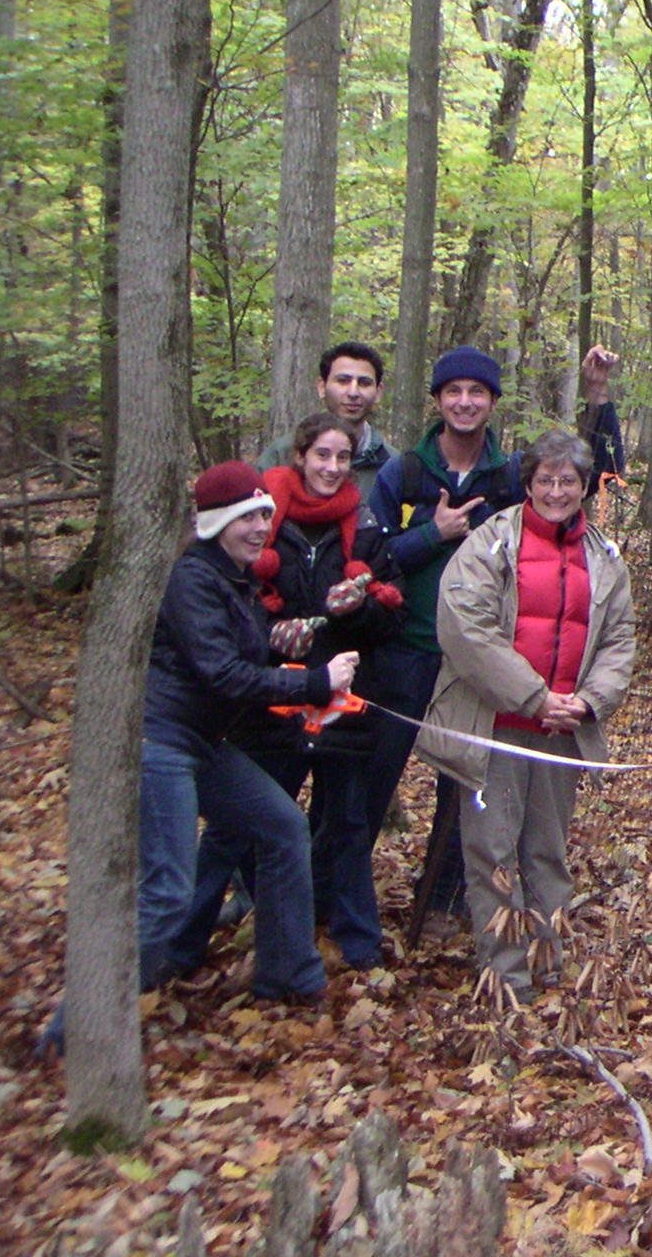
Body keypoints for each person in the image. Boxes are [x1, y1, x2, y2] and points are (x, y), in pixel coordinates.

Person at [363, 344, 624, 930]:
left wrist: (596, 397)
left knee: (465, 794)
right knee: (370, 785)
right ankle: (349, 916)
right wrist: (431, 534)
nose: (464, 401)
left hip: (480, 668)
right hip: (406, 650)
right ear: (436, 400)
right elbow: (367, 560)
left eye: (476, 392)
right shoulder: (402, 471)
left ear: (492, 403)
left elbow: (584, 470)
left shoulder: (508, 476)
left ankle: (444, 905)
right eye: (452, 391)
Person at [414, 430, 636, 999]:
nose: (556, 491)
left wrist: (588, 703)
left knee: (547, 853)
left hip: (561, 733)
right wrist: (533, 696)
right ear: (528, 483)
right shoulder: (491, 543)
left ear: (584, 486)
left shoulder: (605, 558)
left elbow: (618, 640)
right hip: (495, 730)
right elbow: (464, 628)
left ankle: (549, 964)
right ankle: (505, 977)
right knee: (492, 853)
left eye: (568, 482)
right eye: (545, 480)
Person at [137, 462, 360, 1000]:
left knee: (283, 827)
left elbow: (242, 648)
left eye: (265, 516)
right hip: (163, 742)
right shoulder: (192, 576)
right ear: (216, 523)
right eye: (247, 518)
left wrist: (284, 639)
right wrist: (313, 682)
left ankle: (289, 976)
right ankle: (83, 1023)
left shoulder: (235, 577)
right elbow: (220, 672)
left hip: (205, 743)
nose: (260, 528)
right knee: (166, 890)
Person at [218, 413, 404, 968]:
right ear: (299, 455)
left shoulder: (365, 526)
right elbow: (225, 601)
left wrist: (363, 606)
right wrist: (267, 632)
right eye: (322, 455)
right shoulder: (262, 520)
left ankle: (357, 941)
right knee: (260, 822)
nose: (331, 467)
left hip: (344, 701)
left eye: (343, 458)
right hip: (273, 699)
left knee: (347, 823)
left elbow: (393, 612)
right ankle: (277, 929)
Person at [258, 342, 395, 497]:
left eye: (364, 383)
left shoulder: (392, 464)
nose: (353, 392)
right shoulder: (283, 453)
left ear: (378, 392)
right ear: (322, 387)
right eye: (343, 381)